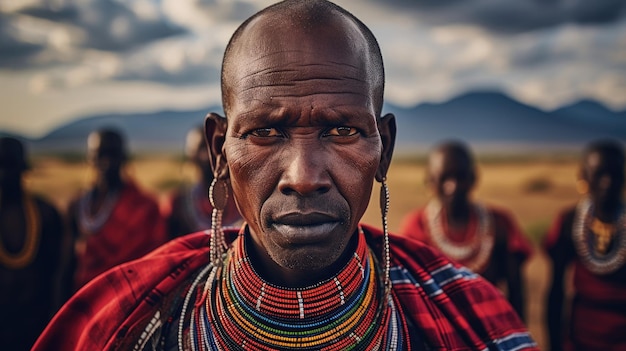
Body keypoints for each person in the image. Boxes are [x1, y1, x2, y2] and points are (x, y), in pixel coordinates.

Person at [33, 1, 539, 350]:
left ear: (383, 149)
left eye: (342, 131)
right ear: (219, 151)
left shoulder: (470, 317)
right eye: (265, 133)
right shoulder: (120, 320)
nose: (303, 176)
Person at [398, 140, 533, 320]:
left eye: (460, 177)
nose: (452, 186)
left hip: (491, 331)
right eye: (444, 178)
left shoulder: (500, 224)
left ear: (473, 178)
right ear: (430, 180)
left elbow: (517, 293)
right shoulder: (416, 227)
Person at [544, 140, 626, 351]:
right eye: (600, 174)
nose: (607, 183)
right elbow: (556, 291)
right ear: (585, 177)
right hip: (580, 339)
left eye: (615, 174)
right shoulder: (569, 222)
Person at [66, 128, 167, 291]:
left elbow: (154, 263)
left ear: (123, 157)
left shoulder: (145, 207)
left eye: (113, 154)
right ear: (90, 157)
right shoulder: (77, 205)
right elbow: (67, 263)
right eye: (100, 154)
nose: (107, 162)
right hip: (86, 295)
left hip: (131, 297)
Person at [0, 137, 66, 351]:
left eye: (9, 166)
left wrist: (55, 316)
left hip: (35, 320)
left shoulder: (45, 213)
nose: (4, 174)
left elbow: (57, 271)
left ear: (22, 169)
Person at [161, 126, 241, 239]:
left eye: (218, 145)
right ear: (191, 156)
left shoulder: (246, 200)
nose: (213, 154)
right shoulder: (178, 205)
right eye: (204, 148)